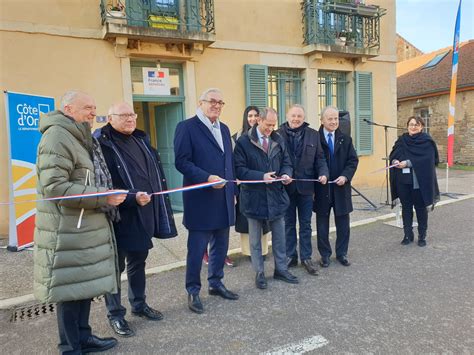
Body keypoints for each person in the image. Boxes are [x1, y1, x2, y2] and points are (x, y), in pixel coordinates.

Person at [34, 91, 127, 354]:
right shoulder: (57, 136)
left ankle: (84, 338)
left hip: (83, 228)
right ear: (68, 109)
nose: (92, 113)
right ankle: (70, 347)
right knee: (68, 292)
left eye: (94, 107)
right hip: (66, 231)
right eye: (87, 108)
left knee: (83, 286)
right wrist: (102, 198)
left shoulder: (79, 136)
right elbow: (54, 186)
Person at [94, 102, 177, 337]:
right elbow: (104, 184)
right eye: (124, 115)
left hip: (145, 213)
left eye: (132, 114)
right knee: (115, 268)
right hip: (119, 215)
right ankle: (115, 315)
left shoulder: (141, 140)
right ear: (110, 118)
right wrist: (131, 198)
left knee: (138, 262)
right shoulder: (103, 144)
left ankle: (139, 305)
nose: (130, 118)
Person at [174, 88, 239, 314]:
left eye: (221, 102)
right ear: (201, 103)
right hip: (201, 199)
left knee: (221, 245)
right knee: (197, 248)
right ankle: (193, 290)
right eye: (212, 101)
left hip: (223, 198)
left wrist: (233, 190)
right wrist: (206, 178)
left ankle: (216, 282)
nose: (217, 106)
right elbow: (181, 162)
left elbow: (228, 163)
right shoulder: (187, 127)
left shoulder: (225, 128)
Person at [234, 107, 298, 289]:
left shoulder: (278, 139)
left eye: (273, 125)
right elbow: (239, 170)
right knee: (255, 240)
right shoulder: (243, 142)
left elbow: (287, 162)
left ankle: (281, 269)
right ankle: (259, 273)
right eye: (268, 125)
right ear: (258, 121)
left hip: (276, 196)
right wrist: (261, 176)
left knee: (280, 237)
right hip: (253, 197)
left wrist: (286, 174)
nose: (271, 128)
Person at [278, 104, 328, 275]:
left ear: (304, 118)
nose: (296, 119)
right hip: (285, 188)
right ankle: (290, 256)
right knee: (288, 224)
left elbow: (320, 159)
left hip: (307, 188)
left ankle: (306, 257)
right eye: (293, 115)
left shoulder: (313, 135)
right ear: (287, 116)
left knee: (305, 225)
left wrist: (323, 174)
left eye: (299, 116)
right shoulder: (277, 134)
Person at [314, 106, 359, 268]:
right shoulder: (315, 138)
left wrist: (345, 176)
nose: (333, 122)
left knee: (343, 223)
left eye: (336, 119)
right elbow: (313, 161)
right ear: (322, 120)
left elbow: (353, 161)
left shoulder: (345, 139)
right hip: (322, 188)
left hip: (341, 188)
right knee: (322, 224)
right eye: (330, 119)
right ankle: (325, 255)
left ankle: (342, 253)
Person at [389, 116, 440, 247]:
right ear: (407, 126)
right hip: (403, 181)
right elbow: (394, 154)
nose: (413, 127)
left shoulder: (426, 141)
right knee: (406, 208)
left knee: (420, 209)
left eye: (416, 125)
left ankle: (422, 236)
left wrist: (406, 163)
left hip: (419, 182)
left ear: (421, 127)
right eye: (411, 124)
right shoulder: (402, 140)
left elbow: (427, 160)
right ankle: (407, 234)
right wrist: (395, 161)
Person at [234, 106, 271, 260]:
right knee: (247, 221)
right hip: (245, 185)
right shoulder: (237, 137)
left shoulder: (267, 136)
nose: (253, 119)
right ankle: (249, 252)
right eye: (250, 115)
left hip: (264, 185)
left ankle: (262, 250)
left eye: (256, 115)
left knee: (263, 221)